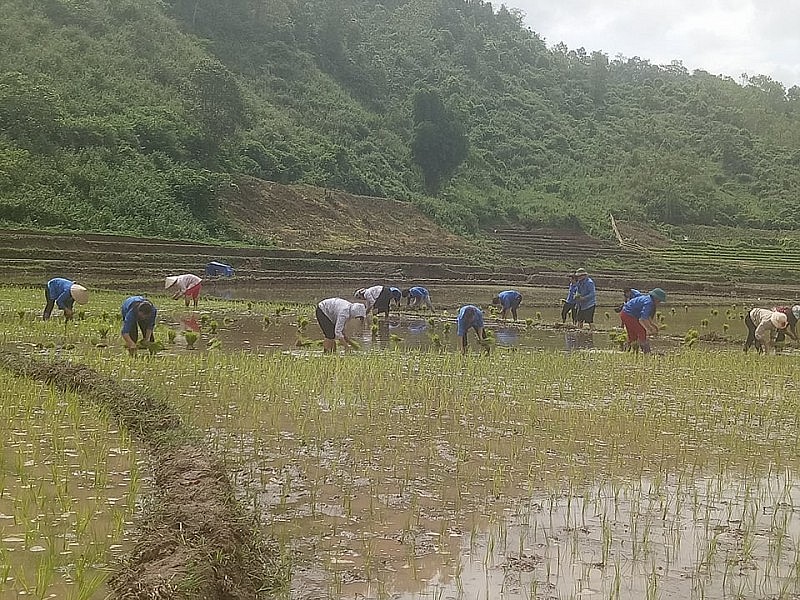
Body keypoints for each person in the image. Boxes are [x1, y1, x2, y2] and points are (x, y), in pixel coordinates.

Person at [619, 288, 667, 354]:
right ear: (656, 298)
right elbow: (642, 319)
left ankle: (627, 352)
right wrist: (649, 329)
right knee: (642, 331)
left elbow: (647, 317)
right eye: (659, 301)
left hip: (625, 313)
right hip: (628, 315)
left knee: (633, 336)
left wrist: (653, 325)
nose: (659, 303)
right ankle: (647, 352)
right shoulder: (649, 303)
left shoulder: (648, 299)